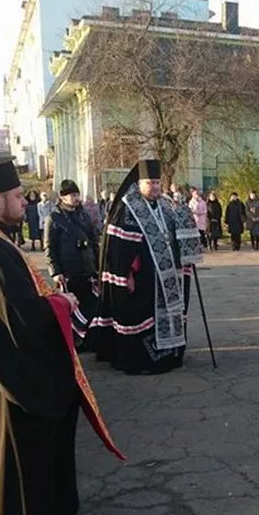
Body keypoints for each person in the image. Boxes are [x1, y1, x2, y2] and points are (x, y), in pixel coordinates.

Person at [0, 154, 121, 515]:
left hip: (0, 369)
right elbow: (18, 317)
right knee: (19, 458)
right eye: (16, 196)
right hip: (9, 377)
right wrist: (60, 304)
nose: (24, 203)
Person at [91, 159, 204, 375]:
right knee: (143, 315)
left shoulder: (165, 205)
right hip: (143, 278)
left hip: (169, 276)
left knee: (169, 313)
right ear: (139, 183)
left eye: (157, 182)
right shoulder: (128, 208)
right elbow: (120, 250)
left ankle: (170, 353)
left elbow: (177, 232)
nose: (154, 187)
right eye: (150, 183)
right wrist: (127, 275)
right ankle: (143, 359)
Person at [44, 179, 100, 348]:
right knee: (72, 306)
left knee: (90, 304)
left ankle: (89, 338)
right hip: (68, 270)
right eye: (72, 195)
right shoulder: (54, 218)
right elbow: (49, 247)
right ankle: (74, 340)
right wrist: (55, 271)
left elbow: (94, 241)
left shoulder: (83, 215)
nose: (76, 198)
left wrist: (97, 266)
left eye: (77, 194)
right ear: (62, 197)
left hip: (87, 268)